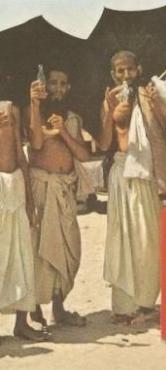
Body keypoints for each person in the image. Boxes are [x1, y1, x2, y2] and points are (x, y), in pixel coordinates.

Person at [98, 50, 166, 324]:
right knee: (121, 240)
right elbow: (104, 141)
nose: (125, 75)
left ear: (138, 69)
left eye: (129, 69)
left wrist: (156, 104)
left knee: (147, 240)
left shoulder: (149, 94)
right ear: (112, 75)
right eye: (119, 71)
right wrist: (109, 111)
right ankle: (122, 307)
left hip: (146, 175)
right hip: (121, 173)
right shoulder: (109, 100)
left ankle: (145, 304)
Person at [28, 65, 90, 327]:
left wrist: (64, 130)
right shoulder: (32, 115)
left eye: (63, 84)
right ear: (44, 85)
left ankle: (59, 308)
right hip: (41, 188)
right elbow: (37, 144)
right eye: (53, 83)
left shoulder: (73, 119)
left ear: (68, 88)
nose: (58, 88)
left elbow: (84, 155)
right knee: (40, 250)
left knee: (68, 249)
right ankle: (34, 310)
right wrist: (34, 104)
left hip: (65, 191)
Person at [0, 69, 47, 340]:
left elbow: (19, 152)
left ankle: (21, 323)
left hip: (14, 186)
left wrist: (29, 200)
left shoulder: (10, 108)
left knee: (19, 255)